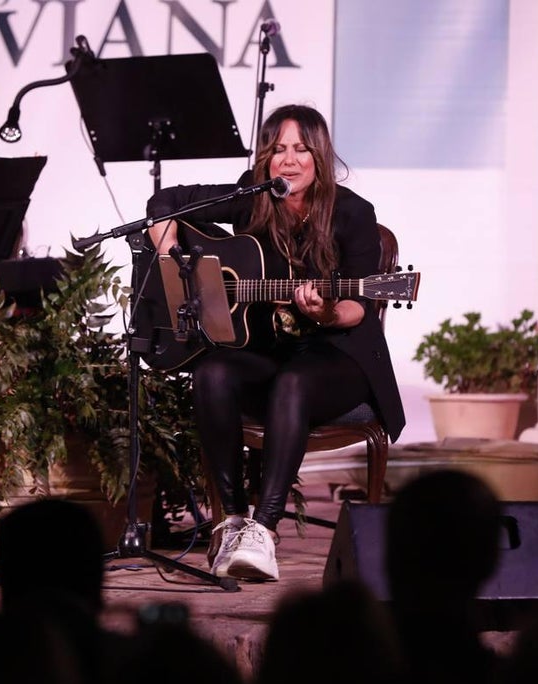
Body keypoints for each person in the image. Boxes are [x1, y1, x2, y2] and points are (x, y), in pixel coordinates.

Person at [145, 103, 404, 580]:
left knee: (294, 381)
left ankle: (263, 530)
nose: (289, 160)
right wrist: (169, 251)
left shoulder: (353, 213)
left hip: (339, 354)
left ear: (319, 156)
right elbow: (166, 202)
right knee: (212, 371)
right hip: (269, 348)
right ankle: (233, 520)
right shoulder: (253, 196)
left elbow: (358, 307)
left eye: (301, 149)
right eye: (279, 149)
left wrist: (324, 311)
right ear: (265, 157)